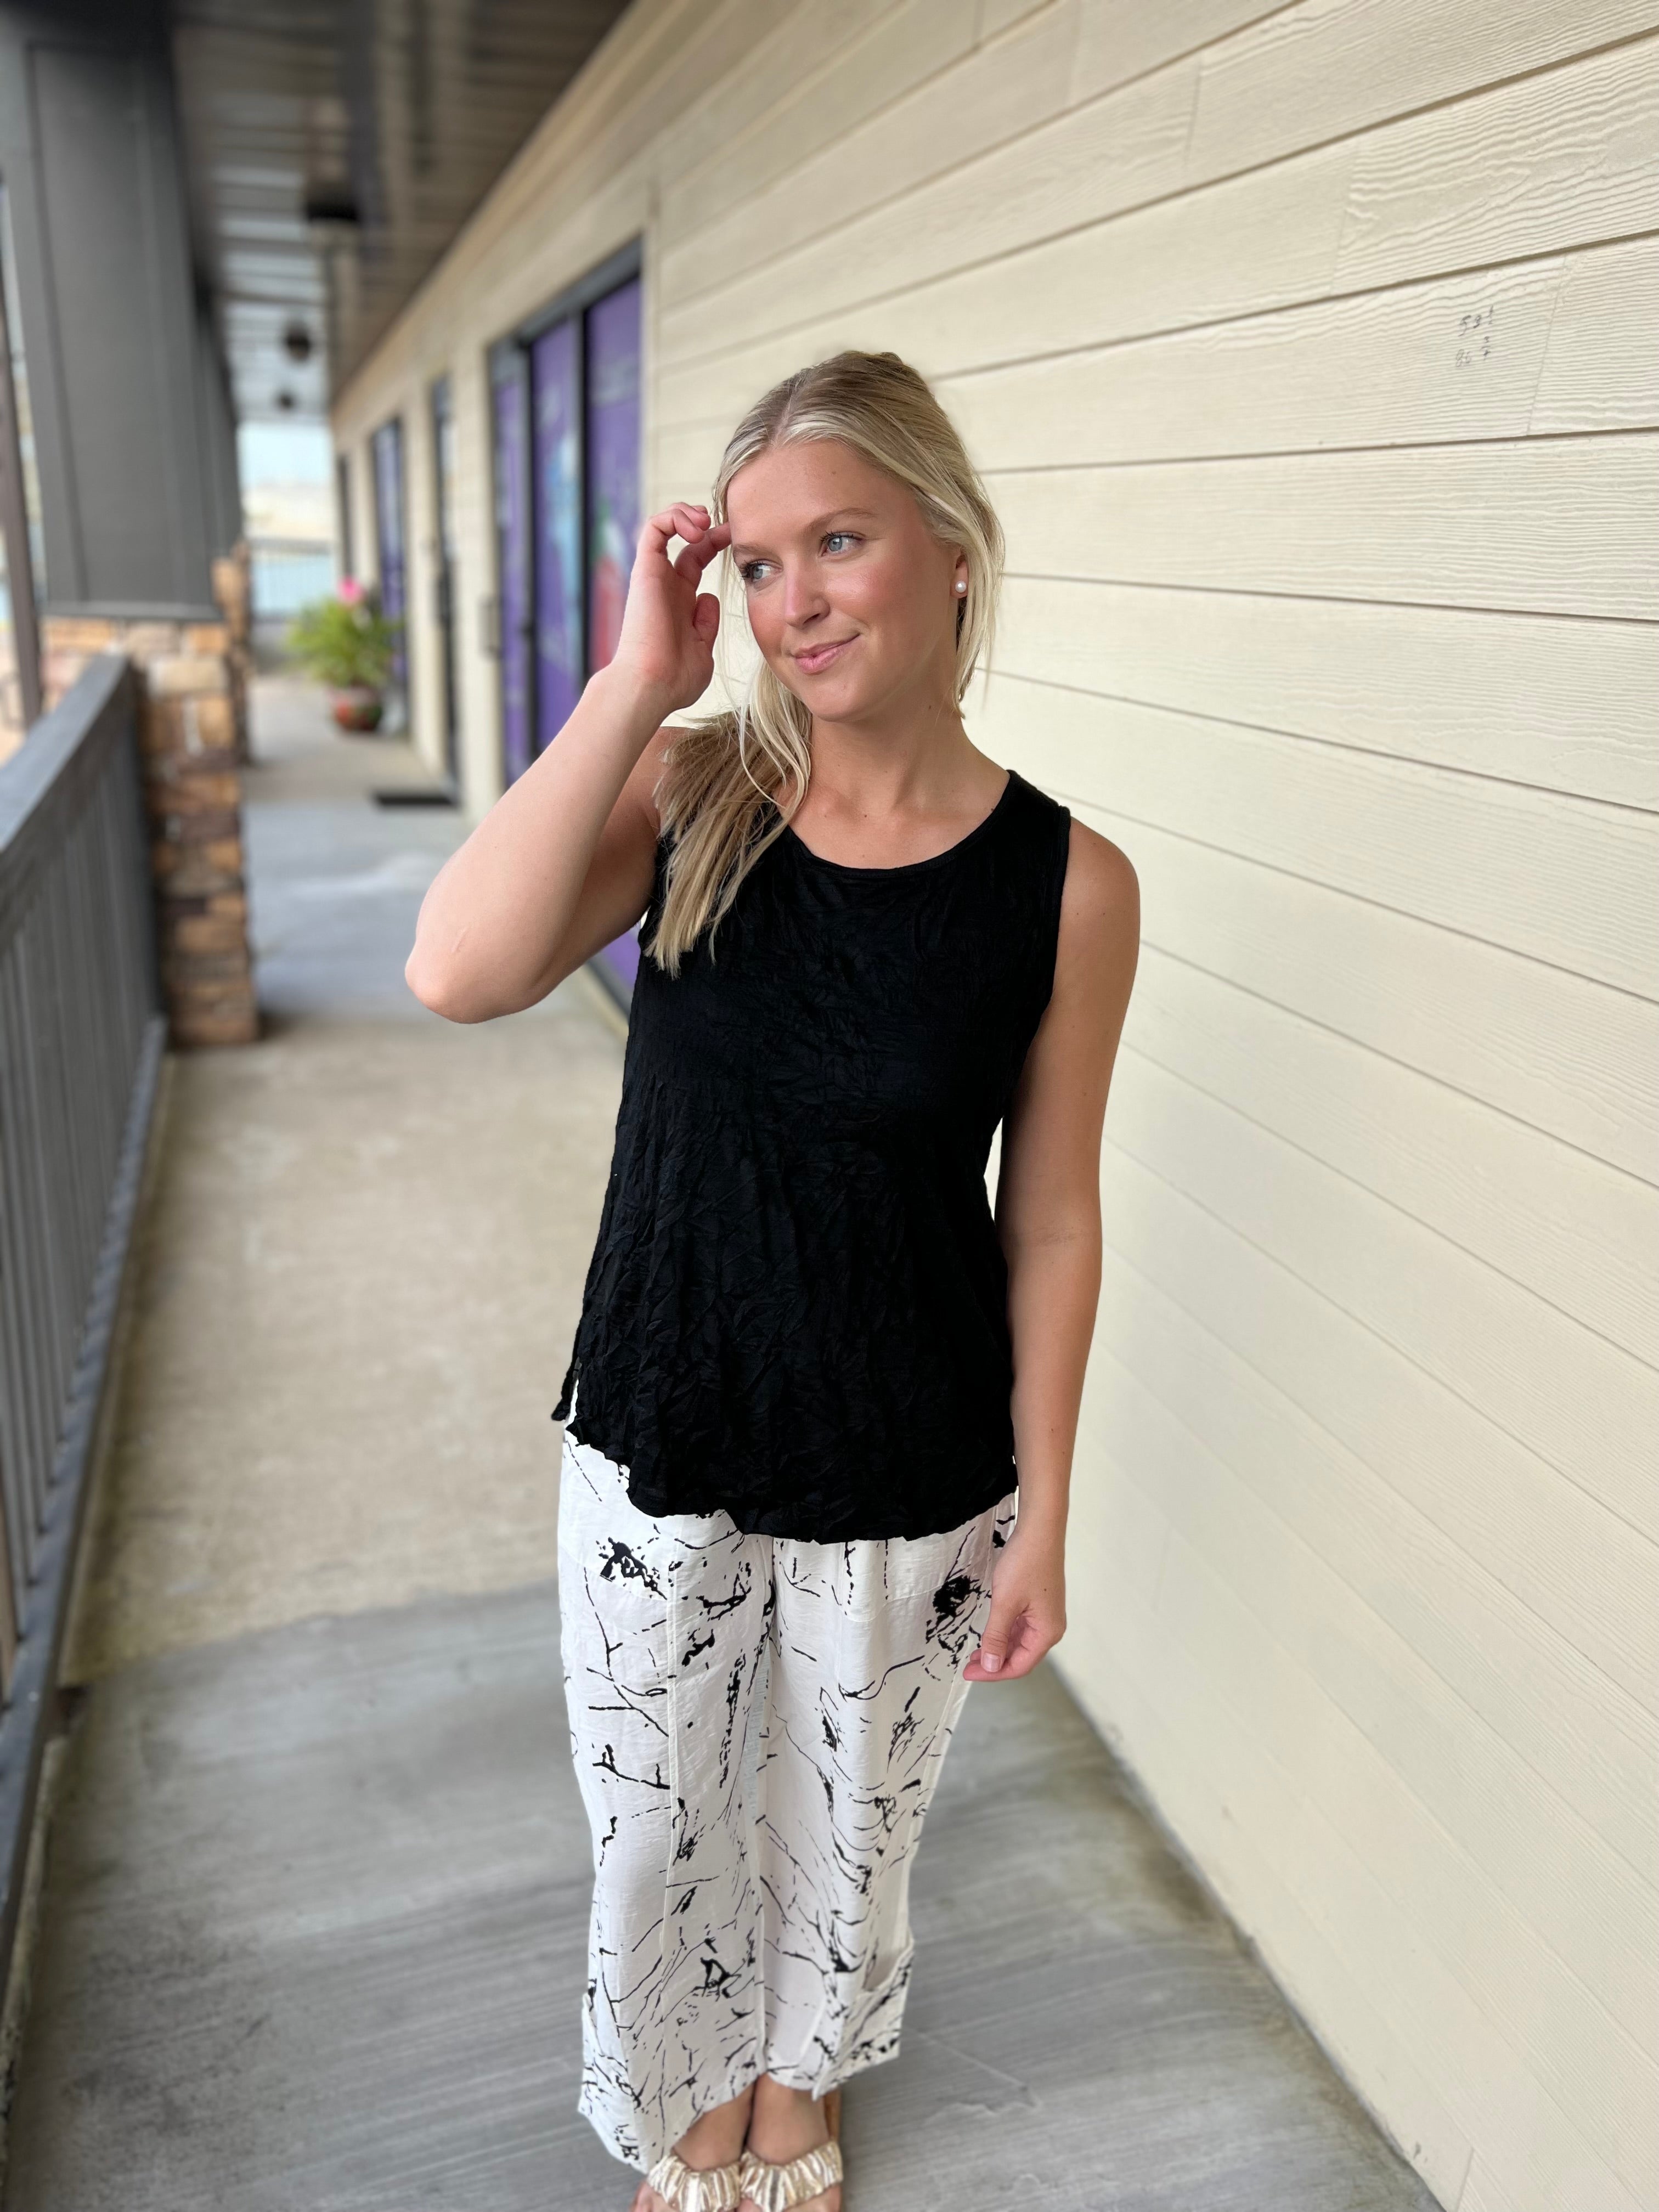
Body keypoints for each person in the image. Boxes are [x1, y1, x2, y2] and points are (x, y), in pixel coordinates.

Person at [406, 351, 1139, 2212]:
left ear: (952, 547)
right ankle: (683, 2096)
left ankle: (794, 2088)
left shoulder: (1068, 883)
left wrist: (1048, 1510)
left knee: (851, 1823)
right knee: (658, 1824)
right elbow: (459, 971)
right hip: (666, 1407)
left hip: (909, 1446)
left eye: (839, 542)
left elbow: (1054, 1215)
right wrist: (631, 686)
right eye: (755, 563)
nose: (792, 599)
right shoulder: (697, 790)